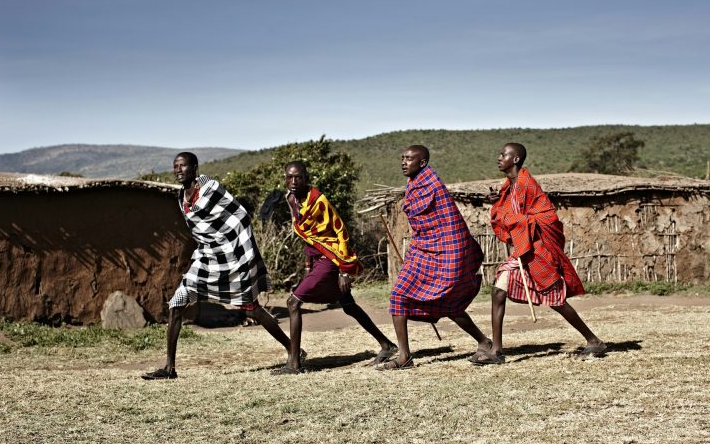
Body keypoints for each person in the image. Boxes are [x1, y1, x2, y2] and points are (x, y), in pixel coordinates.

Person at [141, 152, 292, 379]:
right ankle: (169, 368)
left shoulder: (210, 188)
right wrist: (209, 244)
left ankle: (292, 349)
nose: (179, 170)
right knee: (177, 303)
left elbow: (239, 215)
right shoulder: (182, 196)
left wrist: (236, 247)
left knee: (251, 308)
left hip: (231, 257)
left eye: (183, 166)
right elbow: (198, 229)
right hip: (206, 258)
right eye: (175, 166)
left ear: (194, 167)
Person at [485, 142, 606, 363]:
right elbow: (506, 214)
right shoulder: (508, 187)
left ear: (516, 160)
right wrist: (498, 204)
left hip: (538, 250)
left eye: (504, 154)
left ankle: (594, 341)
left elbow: (547, 217)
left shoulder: (527, 185)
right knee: (498, 291)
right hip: (524, 250)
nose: (499, 157)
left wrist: (517, 221)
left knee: (555, 300)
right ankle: (496, 351)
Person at [278, 161, 398, 375]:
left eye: (298, 177)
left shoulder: (319, 201)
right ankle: (387, 345)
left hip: (332, 259)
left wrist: (344, 270)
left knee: (293, 302)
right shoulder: (292, 199)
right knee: (348, 305)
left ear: (306, 178)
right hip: (317, 258)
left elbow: (340, 232)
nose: (293, 182)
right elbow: (308, 238)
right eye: (289, 177)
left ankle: (294, 364)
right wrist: (308, 266)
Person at [382, 145, 493, 370]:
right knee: (398, 296)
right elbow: (421, 225)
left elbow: (451, 224)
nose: (404, 162)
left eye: (409, 159)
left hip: (447, 250)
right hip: (422, 249)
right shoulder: (413, 184)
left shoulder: (433, 185)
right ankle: (404, 356)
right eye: (402, 158)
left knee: (449, 303)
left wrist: (448, 253)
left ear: (422, 163)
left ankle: (483, 341)